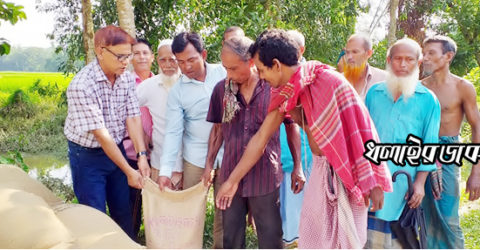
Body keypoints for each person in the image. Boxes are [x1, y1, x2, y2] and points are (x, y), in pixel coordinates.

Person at [215, 29, 392, 248]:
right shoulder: (286, 92)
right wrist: (231, 182)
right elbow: (260, 138)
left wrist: (372, 180)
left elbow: (363, 130)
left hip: (346, 175)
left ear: (277, 65)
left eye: (262, 70)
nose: (260, 77)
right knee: (314, 240)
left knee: (346, 243)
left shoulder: (330, 81)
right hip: (319, 171)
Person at [202, 36, 291, 249]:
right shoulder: (221, 90)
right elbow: (217, 130)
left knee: (270, 237)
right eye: (225, 69)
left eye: (233, 69)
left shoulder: (273, 88)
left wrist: (298, 167)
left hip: (265, 176)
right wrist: (209, 165)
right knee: (230, 237)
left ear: (251, 62)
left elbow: (290, 125)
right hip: (230, 172)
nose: (229, 75)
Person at [64, 25, 150, 239]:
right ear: (100, 51)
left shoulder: (127, 78)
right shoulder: (82, 85)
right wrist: (129, 172)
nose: (126, 62)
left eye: (128, 56)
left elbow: (132, 116)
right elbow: (101, 135)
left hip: (116, 148)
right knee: (94, 214)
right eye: (120, 56)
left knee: (123, 209)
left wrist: (141, 156)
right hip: (87, 156)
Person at [364, 38, 441, 248]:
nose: (403, 64)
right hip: (372, 179)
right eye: (398, 59)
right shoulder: (374, 93)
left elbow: (429, 145)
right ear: (389, 61)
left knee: (401, 237)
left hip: (404, 181)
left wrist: (420, 183)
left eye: (409, 60)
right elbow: (364, 137)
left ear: (418, 63)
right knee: (367, 235)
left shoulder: (428, 99)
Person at [156, 31, 226, 248]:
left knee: (225, 211)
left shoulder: (225, 73)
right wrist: (166, 171)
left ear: (203, 54)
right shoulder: (178, 92)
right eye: (181, 62)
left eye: (191, 60)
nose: (185, 67)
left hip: (228, 154)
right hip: (195, 158)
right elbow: (174, 132)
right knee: (190, 214)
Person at [421, 35, 480, 249]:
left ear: (448, 56)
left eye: (431, 53)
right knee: (423, 216)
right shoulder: (420, 88)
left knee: (448, 216)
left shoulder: (463, 87)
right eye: (424, 52)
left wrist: (476, 172)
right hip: (420, 154)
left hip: (448, 154)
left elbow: (477, 127)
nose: (424, 57)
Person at [278, 29, 311, 247]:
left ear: (301, 50)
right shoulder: (276, 74)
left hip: (305, 160)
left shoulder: (311, 75)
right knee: (285, 215)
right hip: (279, 158)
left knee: (304, 214)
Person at [136, 39, 182, 187]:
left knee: (189, 209)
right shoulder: (148, 86)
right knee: (160, 208)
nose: (168, 65)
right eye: (163, 60)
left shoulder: (190, 83)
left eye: (172, 60)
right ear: (157, 60)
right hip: (160, 163)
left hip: (189, 164)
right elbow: (128, 112)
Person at [122, 38, 155, 241]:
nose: (141, 57)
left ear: (152, 57)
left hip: (157, 152)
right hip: (131, 152)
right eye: (136, 53)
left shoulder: (162, 81)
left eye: (145, 53)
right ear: (131, 58)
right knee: (132, 201)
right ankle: (129, 239)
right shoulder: (125, 82)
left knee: (154, 200)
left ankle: (154, 238)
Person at [343, 33, 387, 99]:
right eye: (347, 52)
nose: (349, 57)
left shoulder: (384, 79)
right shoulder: (339, 80)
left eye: (355, 52)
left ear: (369, 53)